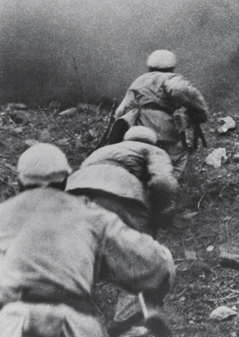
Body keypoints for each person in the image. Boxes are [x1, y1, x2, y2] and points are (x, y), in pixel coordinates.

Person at [0, 144, 175, 337]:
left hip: (10, 323)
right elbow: (155, 265)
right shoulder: (91, 215)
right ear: (65, 181)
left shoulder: (0, 216)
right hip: (75, 324)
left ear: (20, 183)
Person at [66, 126, 180, 336]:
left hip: (74, 199)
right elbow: (163, 182)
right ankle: (132, 320)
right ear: (153, 141)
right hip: (122, 198)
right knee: (137, 257)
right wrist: (163, 212)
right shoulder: (152, 150)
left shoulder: (100, 152)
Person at [113, 50, 209, 177]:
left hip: (137, 126)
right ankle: (169, 183)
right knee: (176, 156)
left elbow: (122, 109)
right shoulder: (169, 78)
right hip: (162, 127)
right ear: (172, 67)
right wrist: (201, 110)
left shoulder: (139, 80)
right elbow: (180, 90)